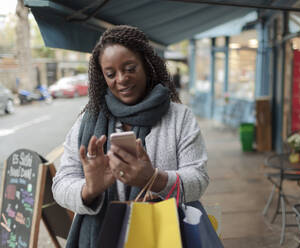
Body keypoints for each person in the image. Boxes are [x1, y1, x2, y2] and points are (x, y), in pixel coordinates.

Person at [52, 25, 209, 247]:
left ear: (146, 65)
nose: (122, 79)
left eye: (130, 68)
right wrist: (89, 189)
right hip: (100, 237)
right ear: (102, 77)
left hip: (161, 236)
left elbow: (199, 180)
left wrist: (154, 179)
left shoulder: (179, 117)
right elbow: (60, 185)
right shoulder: (87, 121)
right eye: (111, 74)